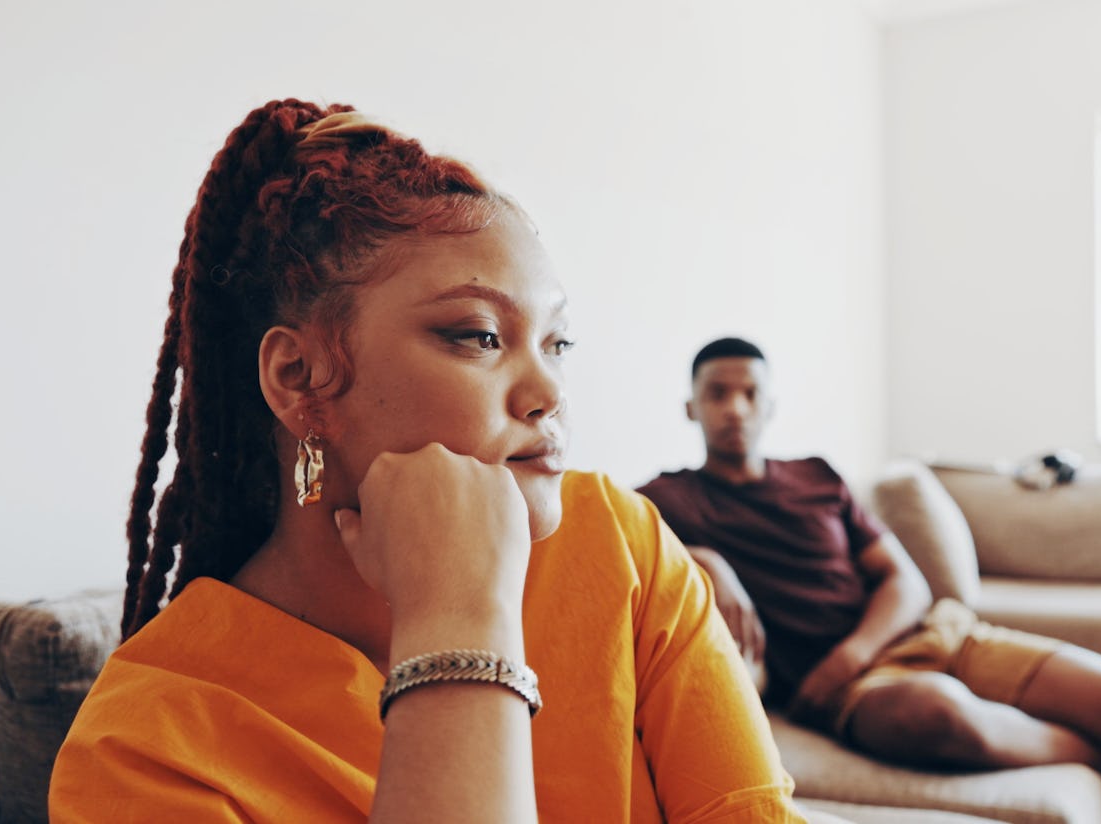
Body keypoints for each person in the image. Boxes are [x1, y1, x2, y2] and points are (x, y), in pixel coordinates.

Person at [48, 102, 814, 823]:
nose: (549, 390)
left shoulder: (620, 544)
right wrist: (459, 619)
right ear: (299, 379)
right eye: (478, 336)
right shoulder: (142, 749)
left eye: (557, 344)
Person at [636, 337, 1101, 824]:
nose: (735, 408)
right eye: (718, 394)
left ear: (770, 406)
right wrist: (705, 558)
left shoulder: (817, 476)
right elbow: (611, 538)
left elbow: (905, 582)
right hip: (854, 693)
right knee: (929, 711)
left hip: (942, 636)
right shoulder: (668, 499)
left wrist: (853, 652)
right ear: (692, 407)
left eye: (749, 393)